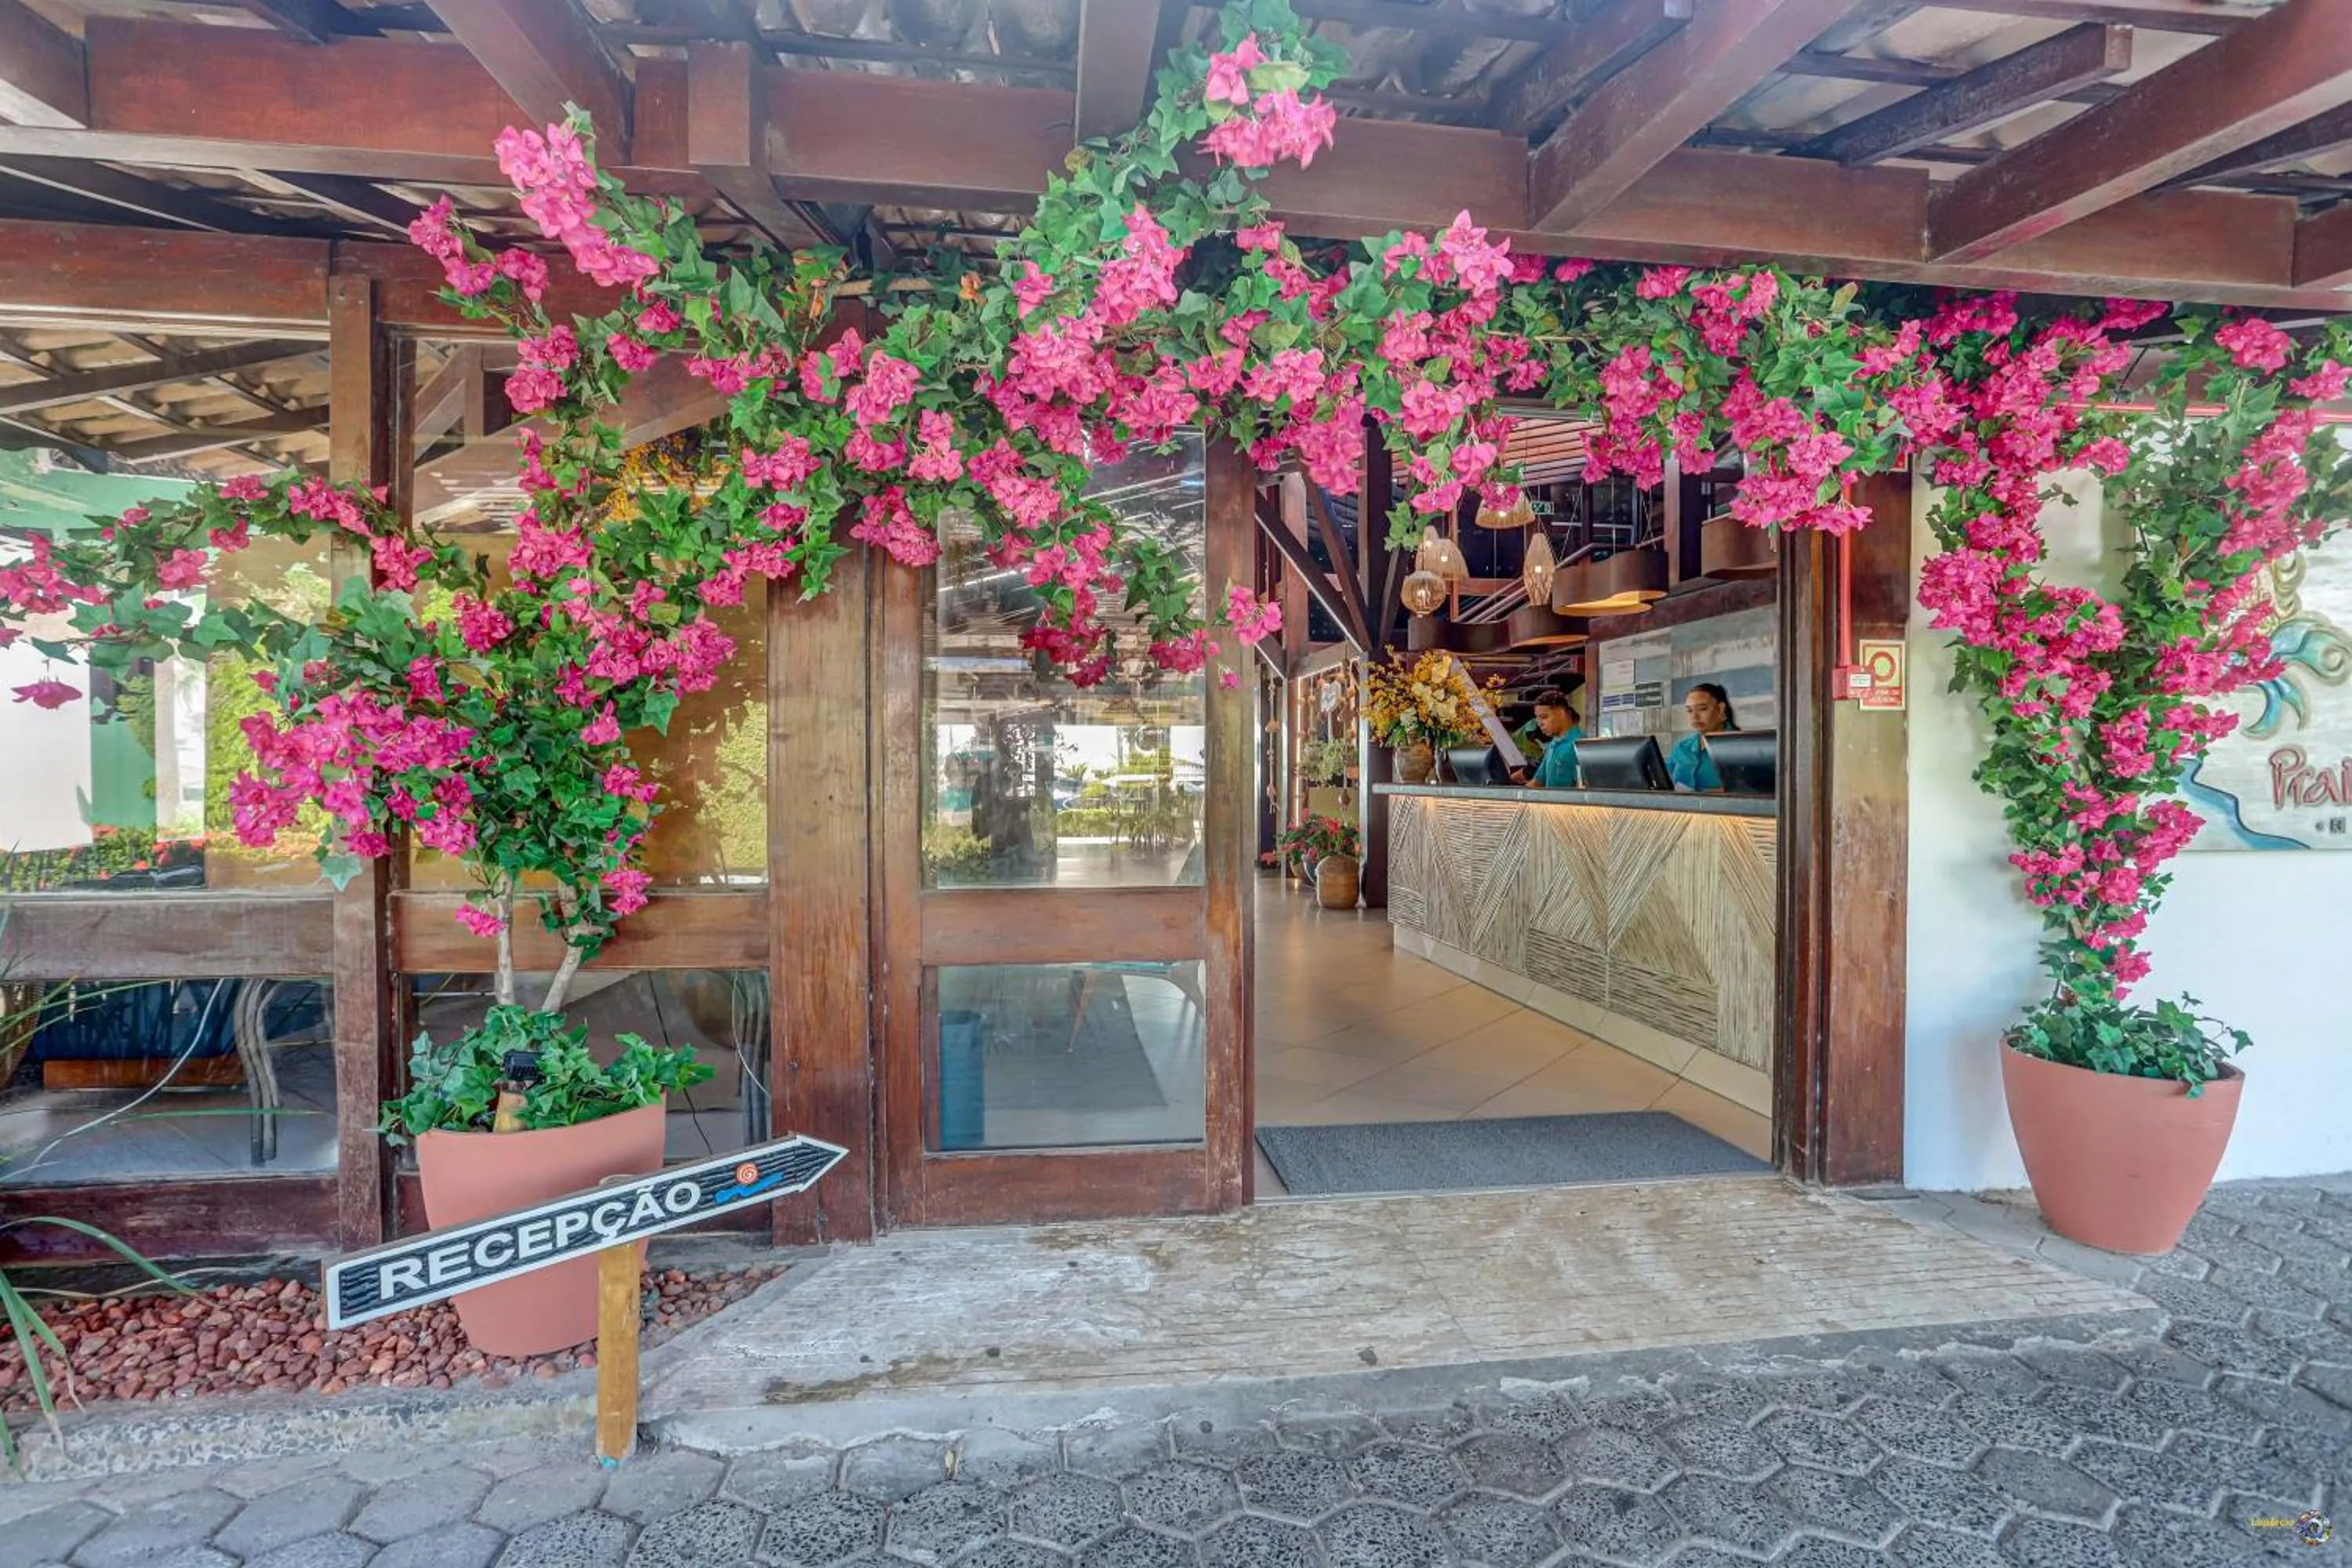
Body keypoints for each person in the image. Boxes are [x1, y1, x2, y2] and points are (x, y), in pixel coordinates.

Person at [1668, 683, 1737, 792]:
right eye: (1690, 710)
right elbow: (1663, 781)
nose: (1694, 717)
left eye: (1702, 709)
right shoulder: (1682, 747)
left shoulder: (1742, 747)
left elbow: (1758, 790)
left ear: (1720, 709)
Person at [1521, 689, 1584, 789]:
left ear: (1561, 713)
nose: (1540, 723)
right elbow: (1537, 782)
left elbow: (1585, 789)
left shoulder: (1581, 745)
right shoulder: (1552, 744)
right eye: (1538, 718)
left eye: (1544, 717)